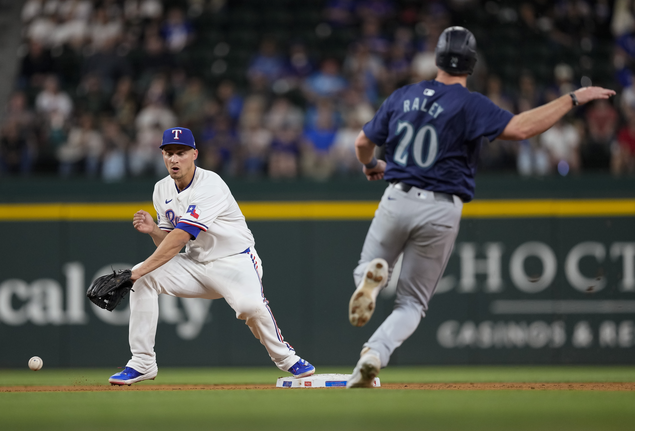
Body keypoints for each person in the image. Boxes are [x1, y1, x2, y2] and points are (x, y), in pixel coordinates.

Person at [344, 26, 615, 388]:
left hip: (397, 194)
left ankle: (371, 278)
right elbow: (520, 129)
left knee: (366, 269)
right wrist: (573, 98)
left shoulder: (403, 95)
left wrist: (370, 165)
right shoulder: (470, 104)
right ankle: (374, 355)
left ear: (437, 57)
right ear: (472, 64)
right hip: (442, 208)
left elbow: (363, 141)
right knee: (410, 305)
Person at [108, 127, 315, 385]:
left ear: (194, 154)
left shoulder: (211, 185)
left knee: (250, 308)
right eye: (168, 153)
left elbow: (181, 237)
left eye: (181, 152)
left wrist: (134, 272)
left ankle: (287, 359)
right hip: (195, 264)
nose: (174, 159)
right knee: (143, 278)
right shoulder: (161, 189)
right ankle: (142, 363)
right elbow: (170, 242)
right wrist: (153, 232)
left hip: (234, 261)